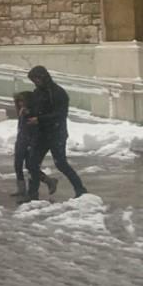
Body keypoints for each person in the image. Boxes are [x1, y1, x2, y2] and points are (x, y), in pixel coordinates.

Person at [25, 65, 89, 200]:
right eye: (33, 80)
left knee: (61, 163)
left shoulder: (58, 93)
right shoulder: (37, 92)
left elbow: (60, 114)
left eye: (37, 79)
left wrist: (39, 119)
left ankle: (80, 189)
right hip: (41, 134)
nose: (36, 82)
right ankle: (32, 194)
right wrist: (28, 112)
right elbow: (36, 109)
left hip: (56, 133)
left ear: (44, 77)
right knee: (32, 164)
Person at [11, 91, 53, 200]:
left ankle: (46, 181)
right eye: (18, 101)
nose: (20, 104)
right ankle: (22, 189)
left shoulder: (31, 112)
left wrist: (32, 142)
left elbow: (34, 129)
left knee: (31, 166)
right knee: (18, 165)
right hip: (21, 140)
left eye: (22, 101)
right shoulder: (21, 111)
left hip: (29, 141)